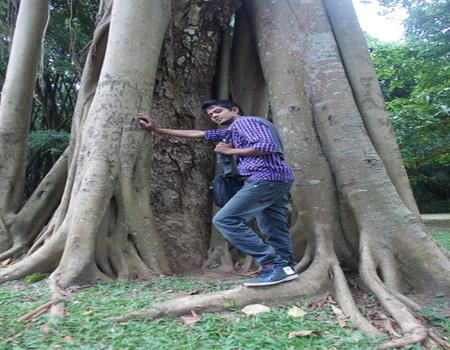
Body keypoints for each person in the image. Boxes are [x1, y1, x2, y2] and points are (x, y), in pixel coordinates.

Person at [138, 100, 297, 287]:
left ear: (235, 110)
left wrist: (231, 150)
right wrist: (158, 129)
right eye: (211, 115)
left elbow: (267, 146)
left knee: (225, 219)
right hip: (277, 180)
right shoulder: (231, 131)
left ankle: (273, 264)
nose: (214, 116)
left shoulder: (244, 123)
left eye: (218, 111)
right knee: (274, 227)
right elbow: (197, 134)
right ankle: (286, 269)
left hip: (265, 178)